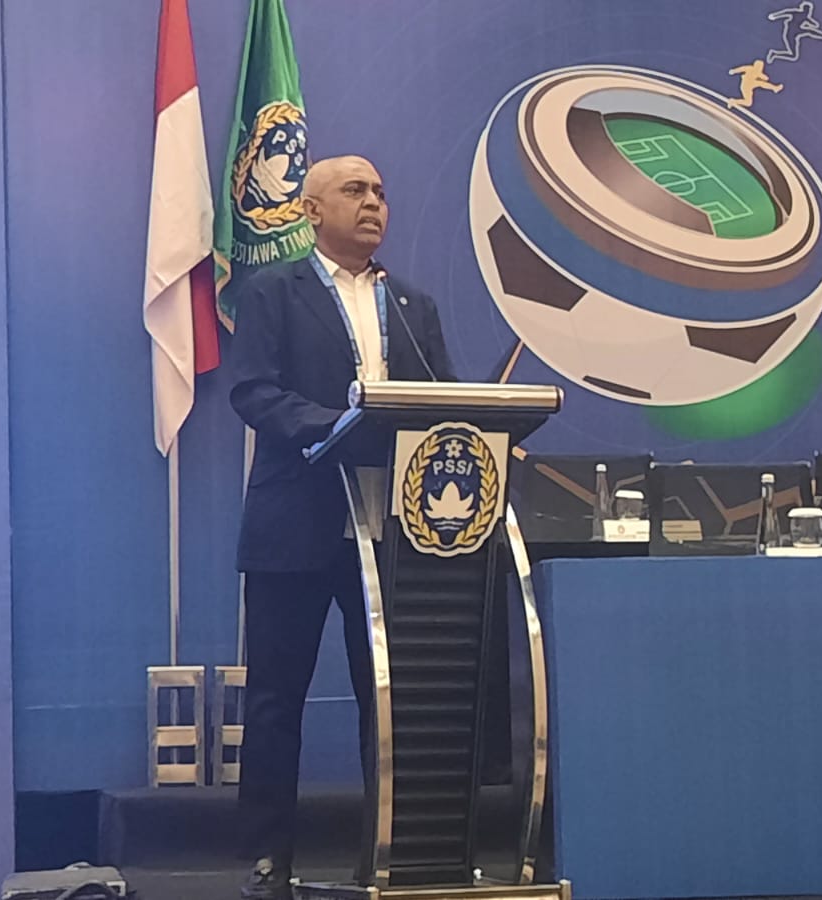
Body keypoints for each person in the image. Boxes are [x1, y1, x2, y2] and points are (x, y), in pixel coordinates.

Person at [227, 155, 456, 900]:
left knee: (389, 699)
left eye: (381, 193)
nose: (372, 203)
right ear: (311, 211)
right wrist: (336, 423)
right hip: (296, 520)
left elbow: (445, 400)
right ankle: (269, 859)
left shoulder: (413, 304)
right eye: (355, 191)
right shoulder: (272, 291)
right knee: (275, 700)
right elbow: (253, 391)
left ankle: (392, 851)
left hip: (393, 528)